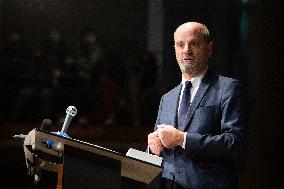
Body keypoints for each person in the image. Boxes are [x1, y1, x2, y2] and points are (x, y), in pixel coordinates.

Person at [147, 22, 247, 189]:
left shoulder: (227, 88)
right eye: (180, 44)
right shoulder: (167, 98)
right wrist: (152, 149)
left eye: (194, 43)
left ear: (209, 49)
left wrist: (182, 139)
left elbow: (235, 144)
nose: (186, 49)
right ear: (175, 50)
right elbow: (162, 153)